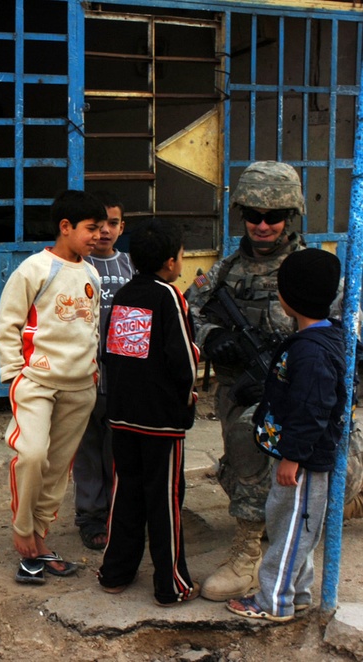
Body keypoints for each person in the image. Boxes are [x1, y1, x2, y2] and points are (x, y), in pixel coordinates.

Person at [186, 160, 362, 601]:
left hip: (303, 388)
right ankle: (247, 551)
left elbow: (344, 333)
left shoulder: (315, 270)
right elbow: (189, 313)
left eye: (274, 217)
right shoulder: (225, 272)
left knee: (328, 471)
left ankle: (344, 505)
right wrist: (214, 337)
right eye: (253, 216)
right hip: (243, 391)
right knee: (247, 454)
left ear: (292, 216)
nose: (262, 226)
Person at [226, 248, 344, 622]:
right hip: (300, 456)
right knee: (299, 529)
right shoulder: (318, 339)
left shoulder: (312, 352)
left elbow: (313, 409)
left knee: (289, 530)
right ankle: (298, 592)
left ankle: (272, 601)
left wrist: (292, 455)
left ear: (287, 297)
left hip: (303, 461)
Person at [0, 189, 105, 584]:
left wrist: (92, 374)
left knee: (58, 468)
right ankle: (23, 531)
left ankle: (39, 541)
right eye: (91, 228)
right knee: (32, 455)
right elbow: (6, 325)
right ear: (65, 227)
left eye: (104, 227)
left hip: (80, 388)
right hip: (37, 383)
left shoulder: (91, 273)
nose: (99, 235)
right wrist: (14, 375)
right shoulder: (35, 269)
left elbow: (89, 328)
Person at [97, 218, 201, 606]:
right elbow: (184, 361)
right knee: (165, 501)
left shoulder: (125, 293)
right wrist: (188, 395)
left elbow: (115, 353)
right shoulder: (169, 296)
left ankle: (115, 573)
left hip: (123, 416)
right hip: (161, 421)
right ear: (172, 262)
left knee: (126, 495)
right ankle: (171, 585)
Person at [74, 190, 135, 550]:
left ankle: (118, 512)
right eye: (98, 225)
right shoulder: (76, 266)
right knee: (87, 449)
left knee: (118, 448)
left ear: (121, 226)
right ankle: (90, 516)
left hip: (123, 379)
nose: (105, 231)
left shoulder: (130, 265)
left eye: (113, 223)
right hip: (83, 375)